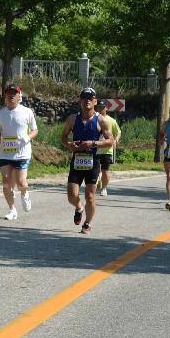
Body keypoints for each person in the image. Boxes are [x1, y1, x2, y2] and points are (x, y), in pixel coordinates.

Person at [60, 87, 114, 234]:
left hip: (93, 161)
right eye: (84, 98)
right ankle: (79, 207)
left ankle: (87, 223)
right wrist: (69, 144)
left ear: (95, 101)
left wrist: (93, 143)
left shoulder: (101, 120)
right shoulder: (72, 119)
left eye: (90, 98)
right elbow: (63, 137)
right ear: (80, 101)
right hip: (77, 159)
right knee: (71, 195)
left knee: (90, 195)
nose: (87, 100)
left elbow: (111, 141)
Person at [0, 83, 38, 220]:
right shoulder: (1, 113)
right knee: (6, 183)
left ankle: (24, 194)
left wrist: (27, 138)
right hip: (5, 152)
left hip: (22, 152)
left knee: (21, 182)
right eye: (9, 93)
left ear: (19, 96)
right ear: (5, 96)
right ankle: (12, 210)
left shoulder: (27, 112)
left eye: (14, 93)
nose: (11, 95)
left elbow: (35, 130)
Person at [94, 99, 121, 196]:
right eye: (98, 107)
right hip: (95, 148)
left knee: (105, 171)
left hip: (107, 150)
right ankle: (97, 181)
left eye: (102, 107)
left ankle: (104, 188)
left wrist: (116, 139)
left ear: (106, 108)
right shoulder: (93, 119)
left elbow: (118, 132)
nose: (100, 109)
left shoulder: (111, 121)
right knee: (95, 169)